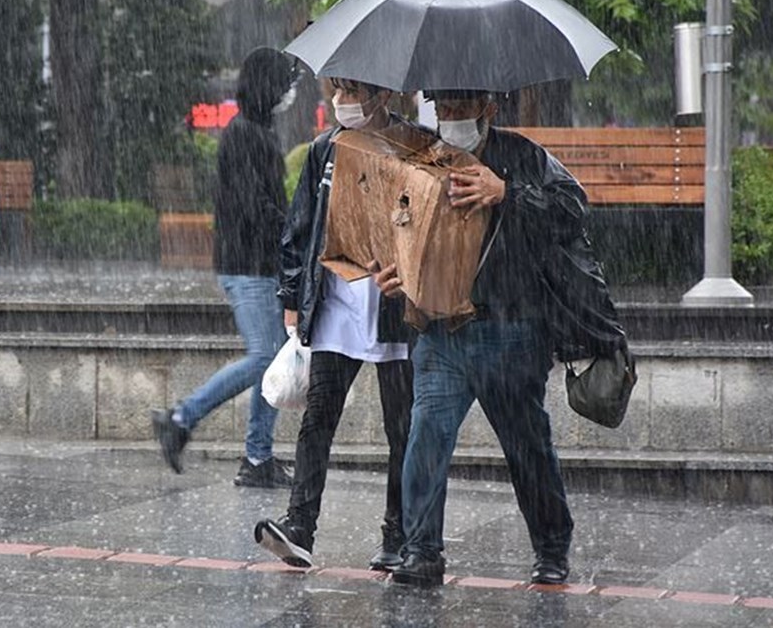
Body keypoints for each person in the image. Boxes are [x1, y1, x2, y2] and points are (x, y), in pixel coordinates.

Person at [372, 88, 586, 587]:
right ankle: (422, 549)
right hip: (440, 331)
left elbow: (573, 208)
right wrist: (391, 273)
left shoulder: (521, 156)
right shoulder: (420, 160)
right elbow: (394, 228)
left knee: (526, 443)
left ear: (488, 108)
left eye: (461, 107)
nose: (450, 117)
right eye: (442, 107)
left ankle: (551, 547)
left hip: (508, 327)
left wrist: (506, 192)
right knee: (424, 438)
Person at [253, 77, 420, 571]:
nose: (344, 103)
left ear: (383, 96)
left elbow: (428, 223)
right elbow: (299, 226)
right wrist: (291, 296)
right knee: (318, 417)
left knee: (403, 428)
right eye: (338, 93)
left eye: (354, 93)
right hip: (335, 305)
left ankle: (398, 533)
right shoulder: (324, 151)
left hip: (394, 307)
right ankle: (299, 526)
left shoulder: (414, 149)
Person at [150, 47, 298, 488]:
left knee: (271, 363)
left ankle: (257, 459)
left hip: (261, 263)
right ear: (268, 86)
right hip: (248, 266)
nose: (289, 94)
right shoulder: (244, 134)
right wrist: (293, 229)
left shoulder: (257, 131)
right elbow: (255, 205)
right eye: (284, 85)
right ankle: (181, 417)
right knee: (264, 359)